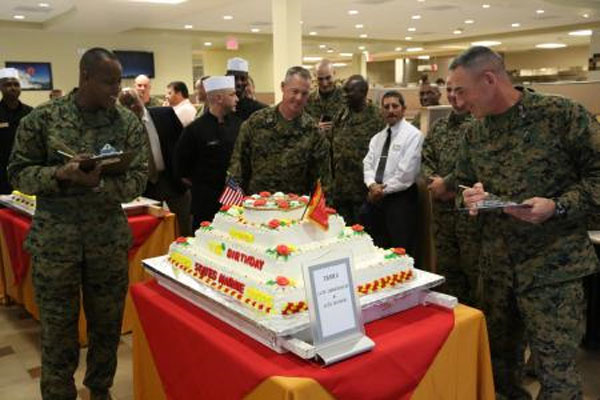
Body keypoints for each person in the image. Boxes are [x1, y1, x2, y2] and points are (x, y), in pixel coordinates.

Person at [452, 46, 600, 400]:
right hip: (497, 273)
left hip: (553, 271)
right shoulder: (474, 134)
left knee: (556, 376)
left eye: (461, 90)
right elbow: (461, 186)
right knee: (499, 372)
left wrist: (558, 207)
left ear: (489, 79)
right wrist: (468, 199)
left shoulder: (561, 116)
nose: (456, 101)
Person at [7, 47, 147, 400]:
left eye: (119, 82)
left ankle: (100, 389)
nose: (116, 90)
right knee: (58, 329)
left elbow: (139, 178)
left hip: (107, 242)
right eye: (108, 82)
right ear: (85, 77)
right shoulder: (43, 120)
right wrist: (61, 173)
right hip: (57, 245)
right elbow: (18, 173)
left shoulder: (125, 122)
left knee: (107, 326)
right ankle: (58, 393)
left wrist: (100, 182)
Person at [420, 76, 480, 306]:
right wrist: (434, 183)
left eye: (459, 90)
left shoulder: (480, 125)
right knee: (447, 269)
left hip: (469, 215)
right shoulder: (439, 127)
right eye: (449, 90)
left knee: (473, 273)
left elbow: (478, 166)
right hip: (442, 214)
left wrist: (448, 185)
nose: (453, 96)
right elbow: (426, 159)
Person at [229, 66, 331, 195]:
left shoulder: (313, 132)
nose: (299, 98)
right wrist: (233, 206)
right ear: (283, 87)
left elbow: (323, 181)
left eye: (304, 93)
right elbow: (237, 166)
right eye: (294, 91)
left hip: (296, 208)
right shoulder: (256, 122)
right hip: (258, 206)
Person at [118, 88, 192, 236]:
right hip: (145, 186)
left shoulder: (165, 114)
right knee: (153, 230)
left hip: (172, 179)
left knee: (185, 225)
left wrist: (186, 174)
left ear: (141, 99)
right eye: (126, 104)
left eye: (133, 102)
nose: (132, 107)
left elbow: (184, 144)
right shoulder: (122, 127)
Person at [362, 90, 423, 256]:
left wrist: (380, 190)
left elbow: (406, 174)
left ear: (403, 109)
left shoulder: (413, 136)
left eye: (395, 106)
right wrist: (372, 184)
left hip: (401, 202)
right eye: (386, 106)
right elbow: (367, 164)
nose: (390, 110)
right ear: (381, 111)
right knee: (379, 249)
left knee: (402, 252)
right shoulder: (377, 138)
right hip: (377, 200)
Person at [175, 76, 241, 230]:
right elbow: (181, 170)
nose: (237, 99)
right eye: (232, 95)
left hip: (235, 201)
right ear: (218, 98)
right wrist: (204, 185)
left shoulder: (240, 125)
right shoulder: (194, 130)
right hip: (206, 205)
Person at [331, 74, 384, 224]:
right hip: (341, 192)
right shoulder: (342, 114)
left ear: (363, 92)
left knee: (365, 237)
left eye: (349, 91)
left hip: (364, 193)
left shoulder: (377, 117)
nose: (344, 95)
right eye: (344, 91)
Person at [0, 67, 33, 194]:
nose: (13, 88)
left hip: (25, 170)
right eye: (7, 85)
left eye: (16, 84)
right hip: (2, 172)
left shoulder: (30, 112)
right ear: (1, 88)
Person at [305, 59, 345, 135]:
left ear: (334, 73)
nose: (324, 83)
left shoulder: (347, 96)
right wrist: (315, 127)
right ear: (314, 76)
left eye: (328, 78)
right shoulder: (308, 99)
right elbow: (303, 127)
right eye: (320, 79)